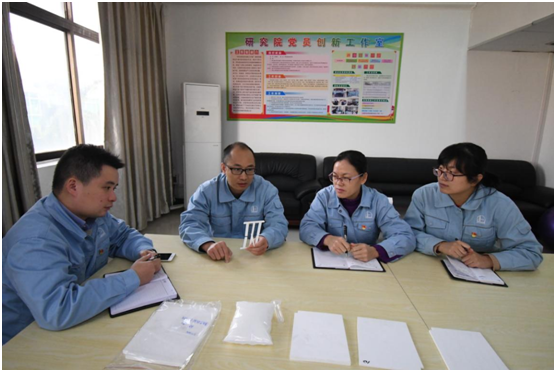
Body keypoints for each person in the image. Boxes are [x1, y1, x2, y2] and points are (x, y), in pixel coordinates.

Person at [2, 145, 161, 345]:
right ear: (73, 186)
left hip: (76, 320)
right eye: (106, 188)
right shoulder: (36, 240)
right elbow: (57, 310)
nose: (113, 197)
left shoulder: (91, 214)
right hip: (23, 341)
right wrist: (132, 277)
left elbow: (122, 235)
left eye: (114, 189)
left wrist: (144, 250)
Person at [404, 142, 543, 271]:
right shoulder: (424, 195)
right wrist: (439, 245)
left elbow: (531, 252)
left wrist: (488, 260)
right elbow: (407, 234)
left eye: (452, 173)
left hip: (478, 274)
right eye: (440, 170)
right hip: (431, 267)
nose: (442, 177)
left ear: (475, 179)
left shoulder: (499, 204)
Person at [179, 142, 288, 262]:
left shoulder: (267, 190)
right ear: (224, 168)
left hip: (255, 257)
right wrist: (208, 244)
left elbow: (278, 224)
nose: (244, 177)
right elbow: (189, 224)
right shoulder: (206, 191)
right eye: (237, 169)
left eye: (250, 169)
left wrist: (266, 239)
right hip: (219, 257)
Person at [300, 150, 415, 262]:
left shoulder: (378, 201)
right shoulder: (324, 196)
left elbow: (405, 236)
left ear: (363, 178)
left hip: (365, 264)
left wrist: (376, 251)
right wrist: (327, 239)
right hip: (332, 260)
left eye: (346, 178)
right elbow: (307, 226)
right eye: (335, 176)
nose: (338, 183)